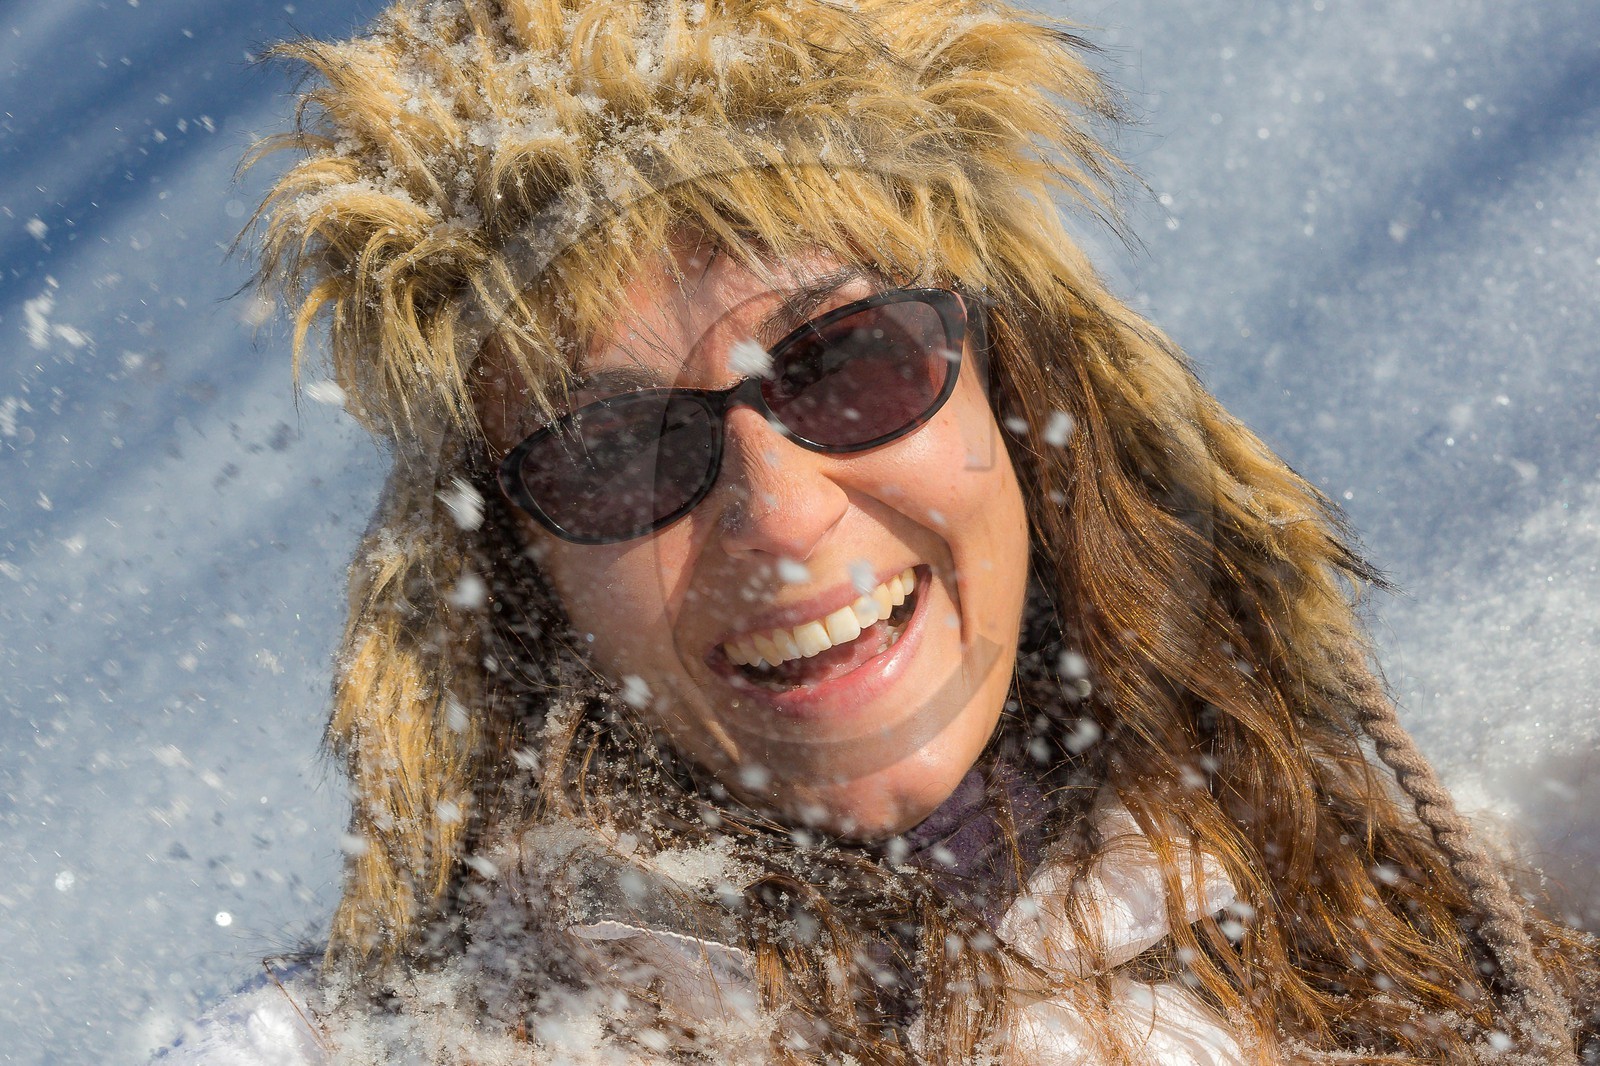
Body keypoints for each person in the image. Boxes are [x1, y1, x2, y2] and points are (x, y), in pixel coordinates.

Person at [160, 0, 1597, 1061]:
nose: (778, 520)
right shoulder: (431, 1039)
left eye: (848, 359)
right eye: (616, 451)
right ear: (517, 582)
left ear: (1028, 387)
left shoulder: (1385, 869)